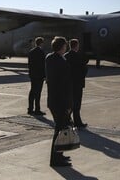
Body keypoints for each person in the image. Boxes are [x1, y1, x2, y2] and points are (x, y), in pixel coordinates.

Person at [45, 36, 74, 167]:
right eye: (65, 46)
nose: (66, 47)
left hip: (53, 100)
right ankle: (55, 159)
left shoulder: (50, 58)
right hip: (60, 102)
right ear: (62, 47)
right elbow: (64, 85)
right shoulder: (61, 62)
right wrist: (68, 105)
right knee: (59, 131)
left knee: (61, 130)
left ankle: (59, 155)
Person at [65, 38, 88, 128]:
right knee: (77, 104)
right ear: (77, 46)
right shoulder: (79, 56)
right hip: (78, 84)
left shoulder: (66, 56)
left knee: (69, 103)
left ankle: (67, 119)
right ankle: (77, 122)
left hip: (68, 84)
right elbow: (84, 69)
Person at [28, 37, 46, 116]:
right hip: (39, 75)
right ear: (41, 43)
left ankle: (30, 109)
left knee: (32, 91)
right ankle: (37, 109)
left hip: (33, 74)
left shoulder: (31, 52)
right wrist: (45, 75)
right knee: (38, 93)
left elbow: (29, 64)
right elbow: (43, 65)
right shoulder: (41, 52)